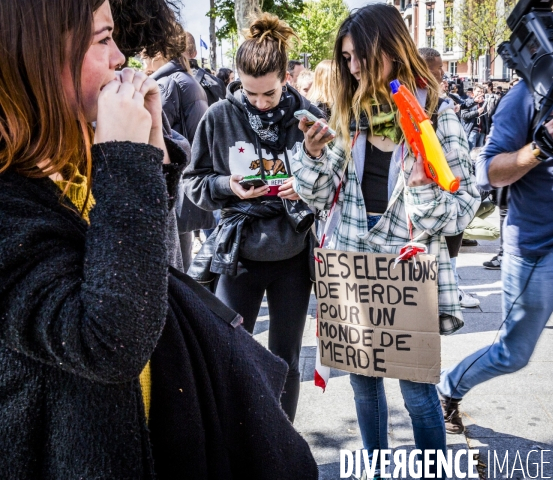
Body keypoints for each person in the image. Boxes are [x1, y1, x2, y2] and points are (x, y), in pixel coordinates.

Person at [291, 5, 480, 478]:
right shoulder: (349, 113)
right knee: (363, 383)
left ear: (389, 50)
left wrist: (419, 188)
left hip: (408, 267)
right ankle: (376, 469)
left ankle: (431, 471)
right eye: (346, 59)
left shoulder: (436, 113)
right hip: (353, 267)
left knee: (417, 391)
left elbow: (462, 209)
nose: (352, 68)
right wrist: (312, 156)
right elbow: (317, 196)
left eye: (359, 57)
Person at [0, 0, 177, 475]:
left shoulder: (68, 153)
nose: (121, 57)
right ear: (36, 52)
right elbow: (110, 342)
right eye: (103, 39)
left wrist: (150, 158)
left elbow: (132, 264)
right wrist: (126, 161)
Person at [437, 0, 553, 478]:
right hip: (537, 251)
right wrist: (538, 149)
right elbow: (487, 172)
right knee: (513, 354)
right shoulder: (529, 93)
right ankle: (450, 387)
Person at [183, 13, 323, 423]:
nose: (260, 103)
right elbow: (193, 183)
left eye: (270, 94)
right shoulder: (219, 116)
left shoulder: (309, 117)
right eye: (250, 93)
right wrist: (230, 186)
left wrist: (310, 177)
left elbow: (334, 183)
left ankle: (283, 445)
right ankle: (242, 445)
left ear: (287, 77)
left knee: (286, 358)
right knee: (232, 357)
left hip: (293, 255)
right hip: (238, 254)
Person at [144, 26, 216, 271]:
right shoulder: (188, 80)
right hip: (186, 182)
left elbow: (154, 135)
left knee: (172, 266)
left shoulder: (167, 84)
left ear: (159, 52)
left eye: (145, 54)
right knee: (181, 261)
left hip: (172, 183)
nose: (141, 58)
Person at [419, 47, 480, 308]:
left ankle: (450, 284)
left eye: (443, 70)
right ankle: (449, 287)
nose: (442, 76)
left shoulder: (439, 105)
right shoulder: (433, 107)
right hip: (435, 188)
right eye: (437, 71)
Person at [461, 84, 488, 150]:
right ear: (474, 91)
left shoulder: (484, 103)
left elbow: (486, 119)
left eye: (481, 92)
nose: (480, 93)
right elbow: (464, 115)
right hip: (472, 131)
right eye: (478, 91)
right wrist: (477, 112)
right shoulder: (468, 102)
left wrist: (487, 132)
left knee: (479, 155)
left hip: (482, 132)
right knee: (471, 153)